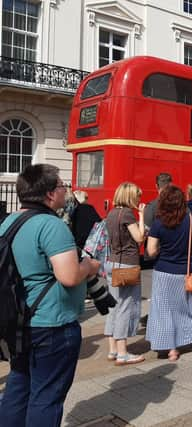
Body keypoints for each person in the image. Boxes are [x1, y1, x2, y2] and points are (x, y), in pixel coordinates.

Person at [0, 164, 100, 426]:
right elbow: (68, 276)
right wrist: (89, 266)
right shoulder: (51, 226)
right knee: (47, 397)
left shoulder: (8, 221)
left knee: (18, 387)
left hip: (19, 321)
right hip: (52, 324)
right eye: (61, 186)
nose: (65, 191)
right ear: (48, 194)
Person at [146, 185, 192, 361]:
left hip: (164, 272)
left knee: (165, 311)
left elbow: (151, 251)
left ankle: (172, 350)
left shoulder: (158, 223)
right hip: (187, 272)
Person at [104, 182, 146, 366]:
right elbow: (139, 237)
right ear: (130, 197)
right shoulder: (128, 213)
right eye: (137, 196)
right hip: (126, 264)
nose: (138, 200)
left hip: (111, 262)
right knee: (124, 307)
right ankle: (123, 353)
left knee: (113, 306)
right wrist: (142, 217)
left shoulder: (112, 213)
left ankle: (113, 349)